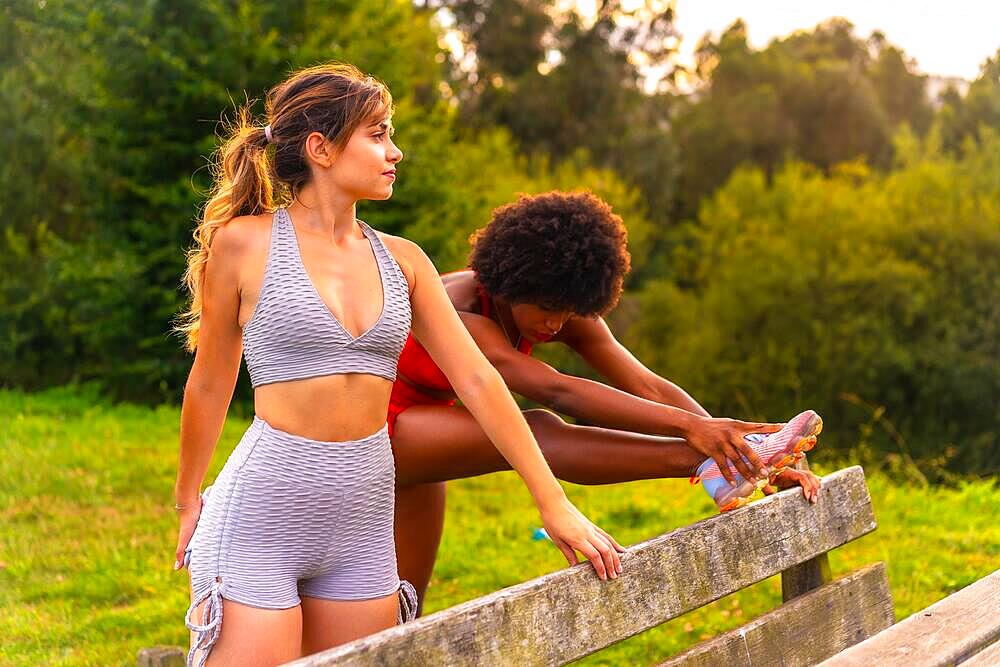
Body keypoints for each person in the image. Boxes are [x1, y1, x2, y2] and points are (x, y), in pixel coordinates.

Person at [172, 65, 622, 667]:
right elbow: (210, 382)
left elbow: (481, 382)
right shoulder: (242, 244)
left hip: (362, 524)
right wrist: (186, 501)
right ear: (321, 148)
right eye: (378, 134)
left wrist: (553, 502)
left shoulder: (406, 262)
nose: (395, 151)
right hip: (262, 517)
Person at [387, 191, 823, 612]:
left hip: (429, 432)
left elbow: (646, 384)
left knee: (406, 611)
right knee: (536, 426)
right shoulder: (458, 305)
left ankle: (715, 467)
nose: (555, 323)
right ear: (511, 280)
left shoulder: (561, 308)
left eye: (568, 310)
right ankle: (693, 464)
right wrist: (694, 438)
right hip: (374, 428)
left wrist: (739, 456)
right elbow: (555, 389)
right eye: (545, 307)